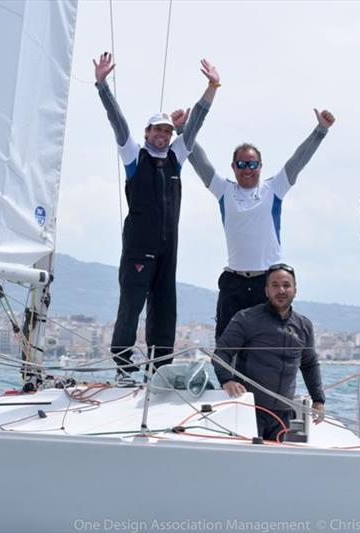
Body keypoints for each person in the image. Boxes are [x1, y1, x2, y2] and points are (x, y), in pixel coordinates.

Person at [93, 53, 220, 381]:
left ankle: (160, 369)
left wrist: (212, 87)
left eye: (166, 131)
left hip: (168, 248)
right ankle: (123, 365)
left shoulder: (177, 157)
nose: (162, 135)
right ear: (147, 132)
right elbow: (116, 121)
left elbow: (196, 124)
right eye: (156, 130)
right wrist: (102, 85)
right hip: (138, 245)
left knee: (165, 309)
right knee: (132, 305)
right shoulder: (136, 155)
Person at [174, 109, 335, 341]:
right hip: (235, 282)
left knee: (265, 344)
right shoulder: (224, 190)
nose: (247, 169)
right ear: (233, 167)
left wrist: (320, 130)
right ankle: (228, 379)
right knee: (227, 343)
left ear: (260, 166)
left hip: (267, 281)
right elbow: (199, 160)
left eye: (252, 164)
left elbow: (298, 160)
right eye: (241, 164)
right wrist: (182, 129)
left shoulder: (274, 188)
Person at [213, 263, 326, 441]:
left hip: (283, 414)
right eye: (275, 285)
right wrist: (227, 380)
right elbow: (221, 353)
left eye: (286, 285)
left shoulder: (304, 326)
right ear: (266, 290)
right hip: (250, 410)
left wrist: (318, 400)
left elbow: (309, 364)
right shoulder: (246, 318)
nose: (281, 290)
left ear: (295, 290)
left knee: (275, 465)